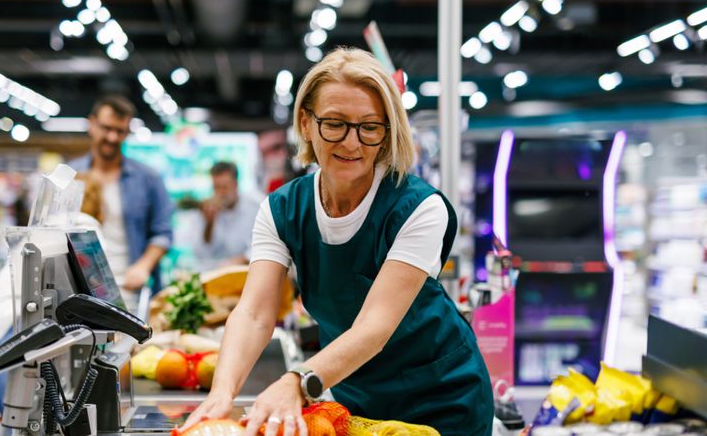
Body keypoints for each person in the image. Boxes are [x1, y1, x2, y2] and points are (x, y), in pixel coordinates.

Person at [182, 48, 493, 436]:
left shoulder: (419, 209)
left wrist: (297, 381)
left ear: (387, 131)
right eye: (335, 124)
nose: (351, 143)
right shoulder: (283, 209)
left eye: (369, 126)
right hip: (355, 402)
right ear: (306, 123)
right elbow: (254, 314)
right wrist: (222, 392)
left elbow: (374, 328)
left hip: (443, 402)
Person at [69, 95, 174, 313]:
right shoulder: (71, 176)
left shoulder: (148, 179)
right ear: (92, 124)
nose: (112, 137)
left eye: (120, 131)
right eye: (106, 128)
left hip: (130, 291)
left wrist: (144, 266)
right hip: (80, 291)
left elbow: (163, 233)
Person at [191, 161, 259, 270]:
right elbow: (200, 255)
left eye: (225, 187)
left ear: (236, 184)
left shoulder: (254, 208)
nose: (221, 193)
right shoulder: (206, 210)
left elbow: (263, 246)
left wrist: (244, 258)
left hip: (245, 273)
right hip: (213, 274)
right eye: (216, 187)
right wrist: (209, 224)